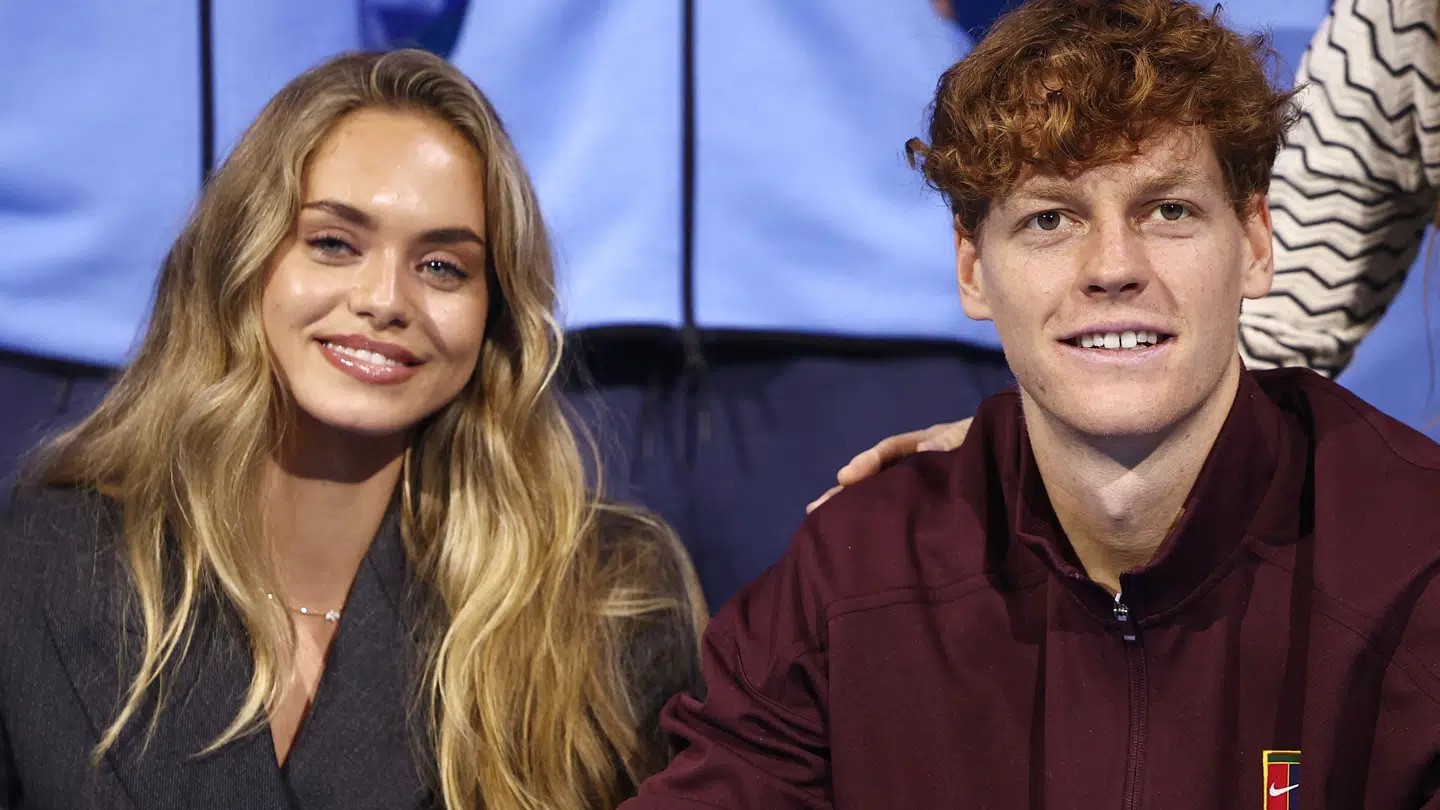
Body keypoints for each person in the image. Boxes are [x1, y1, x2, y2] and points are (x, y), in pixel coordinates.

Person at [622, 1, 1440, 806]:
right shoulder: (854, 574)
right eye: (1051, 219)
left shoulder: (1413, 567)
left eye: (1168, 211)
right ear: (972, 270)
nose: (1112, 267)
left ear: (1258, 244)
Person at [0, 50, 704, 810]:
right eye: (334, 243)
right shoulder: (50, 556)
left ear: (494, 313)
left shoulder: (604, 598)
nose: (385, 300)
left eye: (441, 267)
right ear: (244, 258)